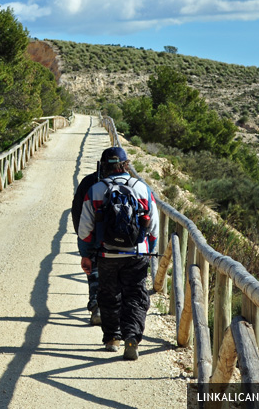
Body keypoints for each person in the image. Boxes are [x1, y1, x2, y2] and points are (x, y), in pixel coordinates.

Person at [77, 146, 159, 360]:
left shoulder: (95, 190)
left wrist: (86, 255)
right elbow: (154, 228)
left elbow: (84, 229)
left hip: (107, 254)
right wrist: (148, 250)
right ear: (126, 165)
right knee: (136, 296)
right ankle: (131, 336)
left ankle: (112, 338)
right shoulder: (141, 188)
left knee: (108, 294)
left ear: (104, 166)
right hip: (137, 253)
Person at [71, 169, 101, 325]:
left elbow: (77, 213)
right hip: (128, 244)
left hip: (94, 238)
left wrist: (84, 247)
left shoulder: (90, 183)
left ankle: (97, 307)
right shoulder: (134, 184)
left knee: (93, 271)